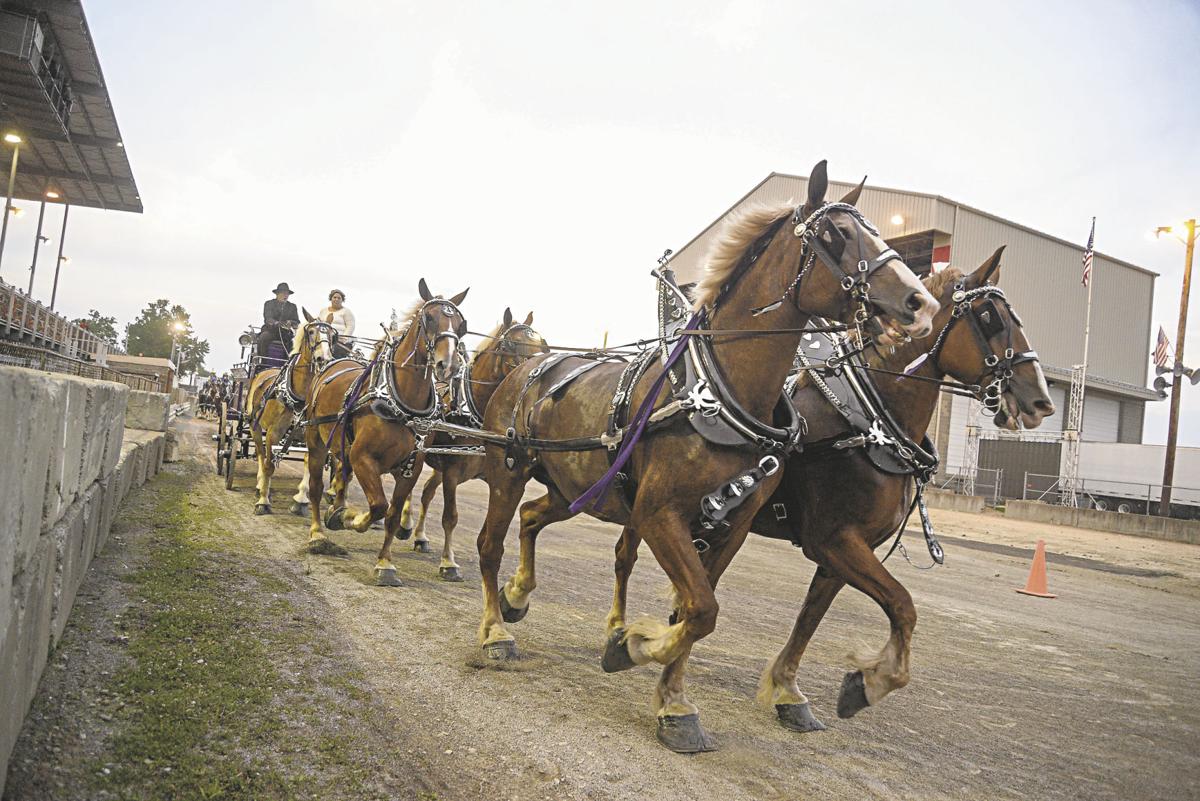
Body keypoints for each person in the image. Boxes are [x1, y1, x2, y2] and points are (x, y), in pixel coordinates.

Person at [258, 282, 300, 370]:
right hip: (271, 331)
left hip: (286, 334)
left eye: (287, 294)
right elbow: (268, 318)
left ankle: (289, 365)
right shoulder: (269, 304)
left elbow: (296, 321)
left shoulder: (292, 307)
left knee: (295, 343)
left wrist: (290, 322)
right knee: (263, 337)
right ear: (277, 294)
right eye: (283, 293)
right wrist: (276, 323)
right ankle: (263, 363)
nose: (285, 295)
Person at [318, 288, 356, 356]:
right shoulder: (323, 311)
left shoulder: (346, 311)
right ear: (331, 299)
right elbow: (319, 324)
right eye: (334, 297)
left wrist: (344, 338)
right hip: (325, 338)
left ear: (342, 300)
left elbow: (350, 326)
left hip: (339, 341)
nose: (336, 299)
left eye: (339, 298)